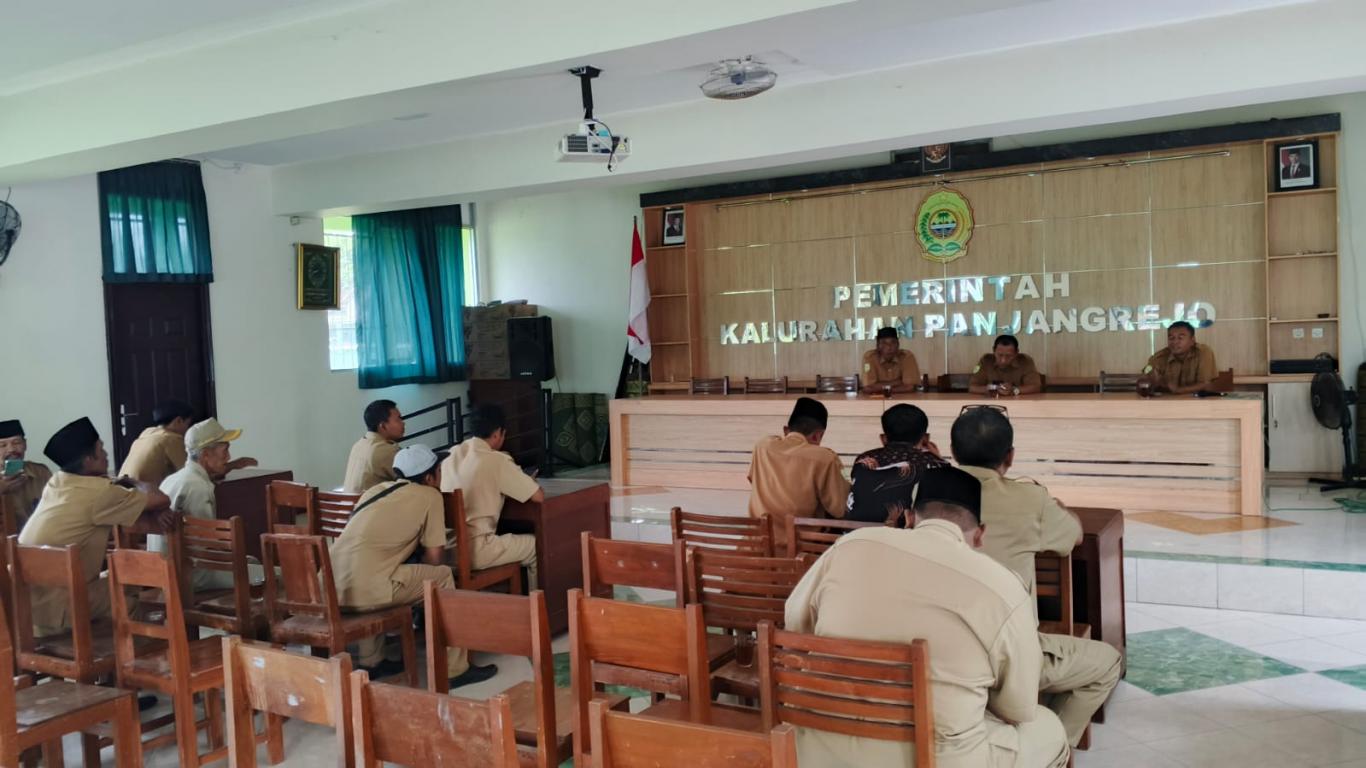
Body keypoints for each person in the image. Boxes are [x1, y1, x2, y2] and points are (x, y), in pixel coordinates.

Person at [786, 465, 1069, 768]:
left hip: (817, 747)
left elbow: (795, 621)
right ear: (980, 534)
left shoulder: (850, 545)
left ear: (908, 519)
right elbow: (1018, 708)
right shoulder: (1002, 586)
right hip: (938, 758)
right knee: (1048, 728)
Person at [951, 406, 1121, 749]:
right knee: (1107, 662)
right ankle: (1044, 749)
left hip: (947, 650)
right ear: (1010, 457)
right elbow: (1073, 536)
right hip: (1011, 657)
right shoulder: (1029, 499)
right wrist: (1059, 507)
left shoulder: (927, 499)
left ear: (953, 453)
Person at [332, 445, 496, 687]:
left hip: (332, 589)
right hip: (369, 589)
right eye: (438, 471)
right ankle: (455, 669)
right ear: (429, 477)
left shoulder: (374, 491)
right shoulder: (430, 495)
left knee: (376, 569)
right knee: (442, 576)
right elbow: (435, 557)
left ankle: (372, 661)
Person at [18, 417, 176, 637]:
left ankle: (105, 647)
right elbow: (161, 499)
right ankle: (135, 652)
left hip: (30, 605)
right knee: (127, 589)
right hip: (64, 605)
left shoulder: (57, 482)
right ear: (89, 460)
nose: (106, 454)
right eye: (101, 449)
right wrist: (132, 481)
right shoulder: (100, 493)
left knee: (116, 579)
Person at [439, 405, 541, 590]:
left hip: (444, 552)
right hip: (475, 551)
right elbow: (538, 496)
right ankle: (539, 604)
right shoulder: (496, 460)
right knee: (537, 547)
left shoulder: (449, 455)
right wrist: (525, 481)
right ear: (497, 433)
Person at [147, 418, 246, 591]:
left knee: (250, 562)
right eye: (225, 450)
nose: (229, 457)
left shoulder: (173, 479)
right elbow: (207, 547)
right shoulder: (199, 487)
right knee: (272, 574)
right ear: (205, 454)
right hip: (192, 576)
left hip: (163, 572)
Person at [747, 397, 849, 556]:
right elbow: (840, 508)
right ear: (818, 436)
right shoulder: (825, 458)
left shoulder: (762, 446)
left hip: (756, 550)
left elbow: (753, 479)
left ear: (786, 430)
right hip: (800, 556)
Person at [846, 404, 945, 525]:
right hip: (903, 535)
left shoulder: (864, 459)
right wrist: (939, 458)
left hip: (856, 532)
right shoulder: (932, 463)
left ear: (883, 438)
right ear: (925, 439)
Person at [118, 400, 193, 486]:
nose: (188, 429)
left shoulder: (146, 434)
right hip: (140, 492)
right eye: (188, 424)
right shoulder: (171, 439)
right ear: (178, 421)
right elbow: (189, 472)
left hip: (121, 489)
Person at [343, 399, 405, 493]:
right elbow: (413, 480)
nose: (403, 422)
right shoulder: (384, 449)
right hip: (370, 502)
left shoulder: (359, 444)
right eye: (398, 419)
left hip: (350, 501)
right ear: (383, 426)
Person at [0, 419, 52, 527]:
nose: (11, 449)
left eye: (16, 443)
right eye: (2, 445)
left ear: (25, 444)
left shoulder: (41, 472)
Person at [1141, 321, 1218, 394]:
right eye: (1171, 338)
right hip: (1169, 400)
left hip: (1198, 400)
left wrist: (1178, 390)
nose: (1175, 342)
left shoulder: (1203, 352)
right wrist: (1149, 373)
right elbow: (1147, 368)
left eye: (1180, 338)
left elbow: (1205, 384)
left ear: (1192, 340)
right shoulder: (1160, 356)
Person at [969, 335, 1043, 396]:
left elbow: (1036, 387)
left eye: (1009, 356)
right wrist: (991, 389)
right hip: (991, 404)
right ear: (993, 350)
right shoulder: (985, 361)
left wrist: (1014, 390)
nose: (1003, 360)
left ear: (1016, 353)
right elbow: (972, 387)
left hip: (1019, 404)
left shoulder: (1025, 361)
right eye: (1000, 355)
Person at [861, 326, 921, 395]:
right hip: (876, 400)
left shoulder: (907, 357)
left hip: (903, 399)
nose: (889, 347)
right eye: (884, 343)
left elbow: (909, 387)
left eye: (893, 342)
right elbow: (868, 388)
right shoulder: (869, 358)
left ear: (898, 344)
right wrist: (897, 382)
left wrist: (881, 389)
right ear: (877, 346)